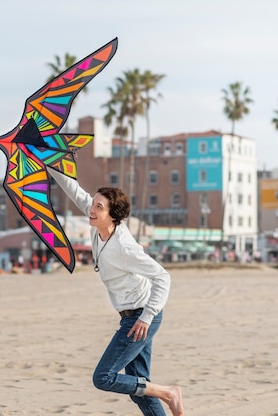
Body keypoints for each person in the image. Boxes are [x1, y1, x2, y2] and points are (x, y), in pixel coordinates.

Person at [50, 170, 184, 416]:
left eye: (98, 207)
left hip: (141, 318)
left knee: (104, 377)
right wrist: (45, 162)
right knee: (140, 388)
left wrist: (146, 316)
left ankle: (169, 393)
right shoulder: (97, 226)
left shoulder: (124, 247)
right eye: (93, 204)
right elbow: (75, 191)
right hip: (131, 316)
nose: (92, 209)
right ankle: (164, 394)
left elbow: (163, 276)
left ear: (112, 215)